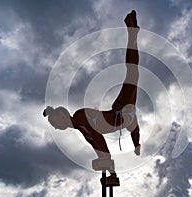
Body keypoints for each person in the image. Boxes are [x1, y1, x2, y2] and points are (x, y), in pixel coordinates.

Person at [43, 10, 141, 183]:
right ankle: (132, 33)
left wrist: (107, 162)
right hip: (124, 113)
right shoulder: (81, 126)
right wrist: (135, 147)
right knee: (133, 72)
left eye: (54, 122)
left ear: (61, 115)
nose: (56, 127)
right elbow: (103, 141)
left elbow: (98, 139)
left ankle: (132, 31)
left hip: (120, 108)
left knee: (132, 71)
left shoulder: (80, 117)